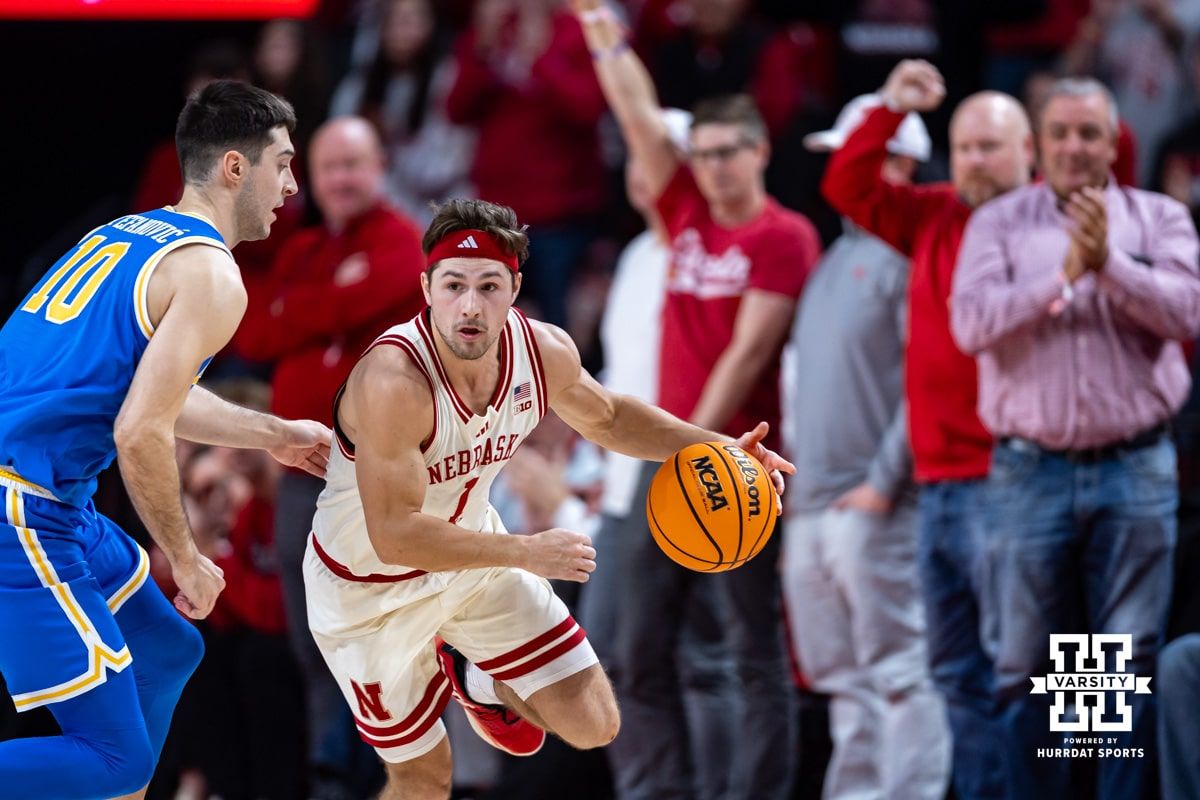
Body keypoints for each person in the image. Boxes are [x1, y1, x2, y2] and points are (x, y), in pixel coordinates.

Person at [302, 197, 794, 800]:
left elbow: (610, 418)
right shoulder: (394, 380)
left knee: (594, 723)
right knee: (425, 780)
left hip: (471, 561)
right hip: (368, 591)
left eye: (489, 286)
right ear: (427, 288)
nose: (470, 305)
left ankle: (475, 677)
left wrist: (722, 447)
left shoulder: (542, 351)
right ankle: (468, 670)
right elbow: (396, 534)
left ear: (514, 289)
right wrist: (526, 552)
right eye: (454, 285)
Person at [0, 80, 331, 800]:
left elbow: (154, 397)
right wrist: (185, 557)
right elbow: (140, 429)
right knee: (114, 760)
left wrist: (273, 433)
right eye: (282, 164)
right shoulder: (213, 275)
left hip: (53, 496)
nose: (292, 186)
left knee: (169, 647)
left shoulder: (127, 232)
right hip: (20, 504)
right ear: (236, 168)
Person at [575, 4, 821, 798]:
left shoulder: (784, 236)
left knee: (750, 651)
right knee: (632, 650)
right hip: (670, 457)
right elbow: (637, 115)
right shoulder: (682, 211)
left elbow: (748, 353)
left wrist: (693, 447)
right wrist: (601, 30)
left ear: (760, 150)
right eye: (702, 154)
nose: (711, 167)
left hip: (742, 462)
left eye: (726, 152)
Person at [950, 76, 1200, 800]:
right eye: (1059, 132)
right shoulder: (997, 224)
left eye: (1089, 133)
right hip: (1030, 471)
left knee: (1116, 667)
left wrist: (1110, 265)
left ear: (1114, 142)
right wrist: (1062, 275)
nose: (1074, 147)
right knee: (1024, 666)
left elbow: (1187, 312)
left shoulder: (1158, 218)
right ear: (1038, 143)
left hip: (1135, 466)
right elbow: (972, 324)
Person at [822, 58, 1034, 800]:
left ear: (1027, 151)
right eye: (966, 147)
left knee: (1025, 669)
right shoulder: (936, 213)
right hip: (939, 484)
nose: (975, 160)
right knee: (954, 673)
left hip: (1016, 476)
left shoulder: (1049, 220)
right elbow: (846, 186)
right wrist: (888, 105)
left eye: (991, 147)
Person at [234, 114, 427, 799]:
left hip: (374, 472)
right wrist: (332, 301)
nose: (341, 179)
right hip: (299, 473)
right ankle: (332, 783)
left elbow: (360, 299)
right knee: (312, 641)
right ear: (311, 178)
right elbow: (255, 334)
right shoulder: (304, 247)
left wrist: (300, 311)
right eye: (328, 168)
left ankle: (393, 781)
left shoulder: (405, 239)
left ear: (379, 168)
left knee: (379, 638)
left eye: (353, 164)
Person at [782, 94, 950, 800]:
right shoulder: (832, 260)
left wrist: (884, 482)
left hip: (877, 502)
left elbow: (928, 376)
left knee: (902, 671)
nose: (838, 174)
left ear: (902, 164)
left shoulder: (911, 255)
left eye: (854, 157)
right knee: (844, 682)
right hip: (815, 505)